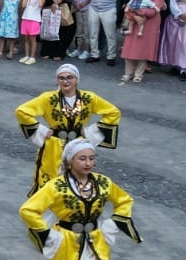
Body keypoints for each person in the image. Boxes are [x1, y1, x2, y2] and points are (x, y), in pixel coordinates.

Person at [14, 63, 120, 196]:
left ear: (77, 79)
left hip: (79, 145)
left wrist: (90, 132)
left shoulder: (89, 98)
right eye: (61, 78)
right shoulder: (49, 98)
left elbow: (113, 112)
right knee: (51, 173)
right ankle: (48, 204)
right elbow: (22, 111)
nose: (65, 81)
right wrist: (42, 130)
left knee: (78, 173)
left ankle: (74, 204)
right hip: (54, 144)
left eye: (69, 77)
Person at [119, 0, 164, 84]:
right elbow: (128, 8)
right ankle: (128, 73)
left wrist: (138, 12)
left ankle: (138, 74)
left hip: (148, 27)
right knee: (129, 49)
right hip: (134, 24)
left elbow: (152, 12)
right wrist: (135, 16)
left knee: (143, 51)